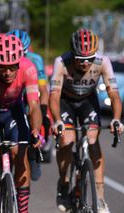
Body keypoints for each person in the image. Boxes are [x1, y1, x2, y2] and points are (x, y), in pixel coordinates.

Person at [49, 28, 123, 213]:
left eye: (89, 59)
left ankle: (100, 197)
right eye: (80, 59)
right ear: (72, 54)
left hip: (87, 102)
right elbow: (54, 96)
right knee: (66, 140)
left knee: (92, 140)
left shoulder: (102, 61)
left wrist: (116, 119)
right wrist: (57, 120)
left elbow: (113, 94)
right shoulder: (62, 62)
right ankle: (64, 183)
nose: (85, 64)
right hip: (66, 102)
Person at [0, 34, 42, 213]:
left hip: (13, 112)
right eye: (2, 68)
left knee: (20, 153)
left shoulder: (29, 68)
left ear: (19, 62)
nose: (8, 73)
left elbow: (33, 105)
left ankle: (23, 209)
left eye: (12, 67)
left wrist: (35, 130)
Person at [7, 29, 51, 181]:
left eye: (23, 53)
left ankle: (33, 153)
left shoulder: (35, 60)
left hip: (29, 94)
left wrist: (43, 113)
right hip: (11, 96)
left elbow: (44, 90)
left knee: (32, 117)